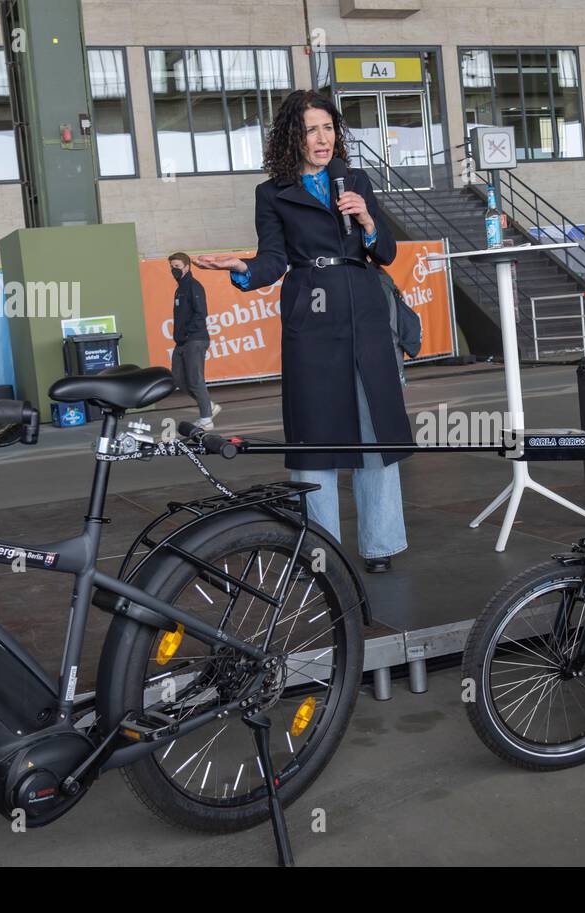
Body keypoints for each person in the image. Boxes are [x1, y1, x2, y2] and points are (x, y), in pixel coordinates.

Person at [195, 89, 410, 573]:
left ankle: (381, 544)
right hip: (311, 314)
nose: (322, 138)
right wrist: (243, 268)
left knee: (374, 428)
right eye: (311, 129)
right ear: (293, 136)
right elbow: (274, 259)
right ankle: (321, 548)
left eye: (329, 128)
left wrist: (368, 220)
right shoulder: (271, 193)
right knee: (314, 433)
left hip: (364, 309)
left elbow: (388, 254)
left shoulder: (354, 180)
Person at [167, 252, 221, 430]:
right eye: (171, 267)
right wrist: (180, 337)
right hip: (182, 342)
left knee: (195, 380)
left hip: (195, 340)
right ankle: (209, 406)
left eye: (177, 267)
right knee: (179, 379)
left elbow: (201, 313)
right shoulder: (179, 288)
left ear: (187, 267)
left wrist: (188, 334)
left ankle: (206, 419)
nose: (173, 270)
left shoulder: (193, 286)